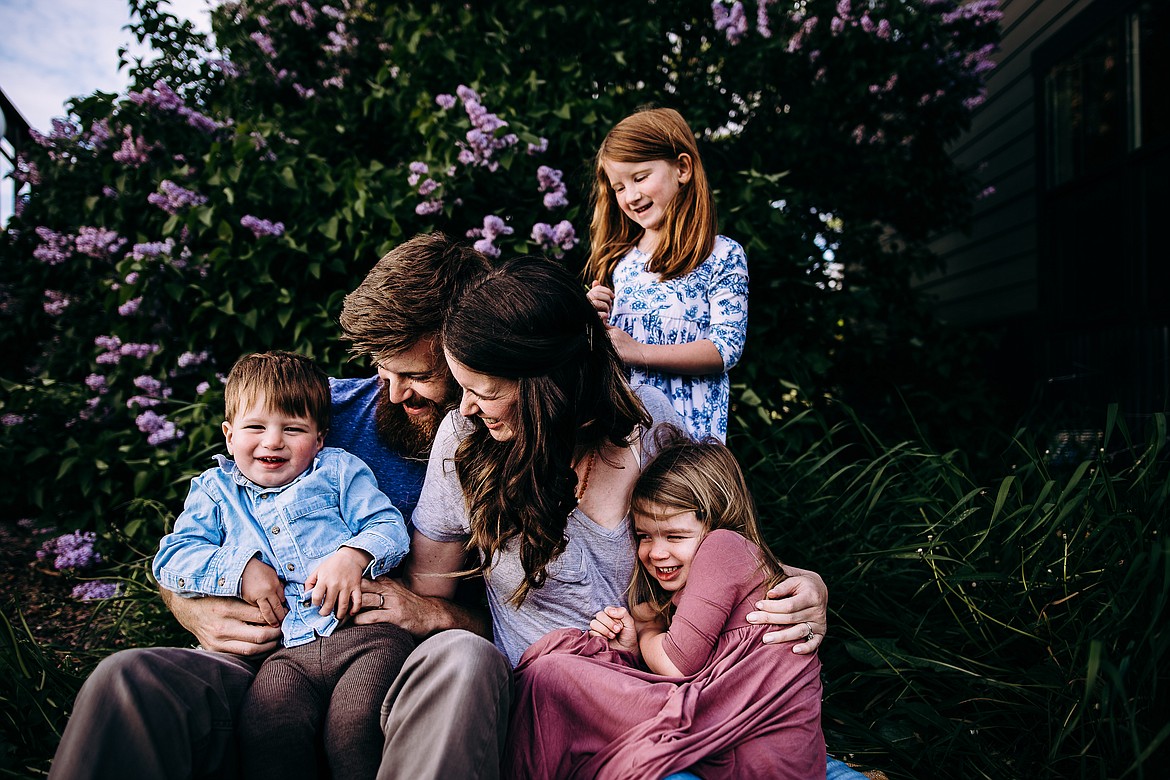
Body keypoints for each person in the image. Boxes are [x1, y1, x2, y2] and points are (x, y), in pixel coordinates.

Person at [49, 234, 831, 780]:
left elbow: (716, 548)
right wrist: (189, 604)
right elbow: (201, 524)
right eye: (386, 372)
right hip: (285, 652)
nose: (404, 397)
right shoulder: (321, 419)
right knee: (127, 680)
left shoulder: (645, 430)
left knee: (459, 661)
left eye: (430, 376)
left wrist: (802, 582)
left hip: (511, 676)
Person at [151, 351, 414, 780]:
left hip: (366, 636)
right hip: (282, 654)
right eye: (256, 427)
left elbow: (387, 525)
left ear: (320, 438)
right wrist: (239, 569)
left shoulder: (339, 472)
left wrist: (354, 555)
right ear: (229, 434)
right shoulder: (214, 493)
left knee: (354, 727)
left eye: (293, 429)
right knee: (268, 732)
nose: (273, 441)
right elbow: (173, 558)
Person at [505, 433, 824, 779]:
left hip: (755, 747)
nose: (656, 553)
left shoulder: (724, 546)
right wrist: (633, 645)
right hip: (738, 735)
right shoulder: (715, 575)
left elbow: (675, 664)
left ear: (716, 520)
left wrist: (646, 627)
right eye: (644, 536)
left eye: (674, 536)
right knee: (557, 672)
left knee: (552, 677)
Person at [584, 107, 748, 442]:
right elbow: (608, 354)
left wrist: (640, 351)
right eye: (619, 187)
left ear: (683, 168)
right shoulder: (620, 263)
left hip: (687, 436)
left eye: (640, 177)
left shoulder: (720, 255)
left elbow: (725, 349)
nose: (631, 196)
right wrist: (589, 317)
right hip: (626, 432)